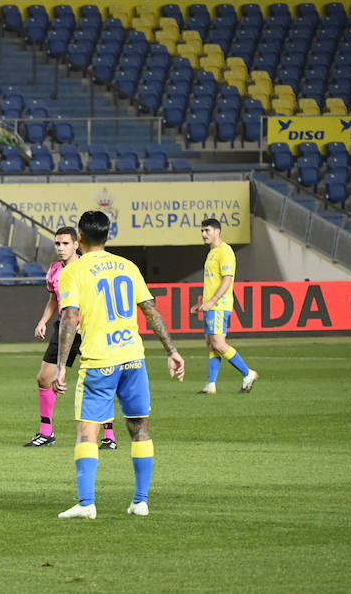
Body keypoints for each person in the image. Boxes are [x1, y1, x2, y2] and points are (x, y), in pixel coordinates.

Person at [54, 210, 185, 519]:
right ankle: (140, 501)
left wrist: (61, 366)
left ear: (79, 238)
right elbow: (150, 310)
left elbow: (70, 319)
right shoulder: (128, 266)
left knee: (88, 431)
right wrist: (172, 350)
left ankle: (86, 503)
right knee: (139, 427)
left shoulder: (73, 271)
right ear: (108, 236)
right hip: (133, 358)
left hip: (100, 360)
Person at [25, 226, 116, 448]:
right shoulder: (54, 269)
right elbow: (54, 299)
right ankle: (46, 432)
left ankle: (109, 435)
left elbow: (101, 297)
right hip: (65, 329)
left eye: (65, 243)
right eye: (57, 243)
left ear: (76, 244)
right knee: (44, 378)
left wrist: (86, 321)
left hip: (89, 329)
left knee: (100, 378)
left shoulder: (89, 267)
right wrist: (43, 321)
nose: (60, 248)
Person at [197, 217, 257, 395]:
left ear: (217, 232)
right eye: (202, 231)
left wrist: (211, 302)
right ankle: (211, 384)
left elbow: (227, 280)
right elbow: (212, 282)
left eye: (207, 230)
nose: (204, 234)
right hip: (210, 306)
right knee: (211, 344)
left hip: (218, 306)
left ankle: (248, 373)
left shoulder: (225, 251)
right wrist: (201, 304)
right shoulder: (212, 253)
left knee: (218, 343)